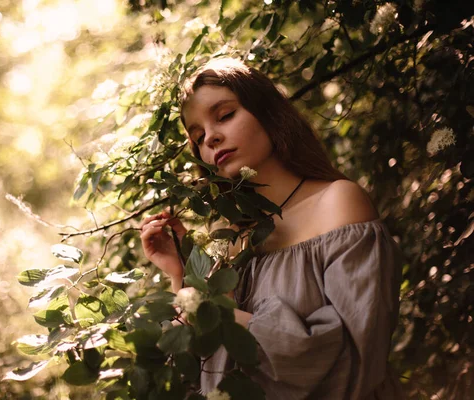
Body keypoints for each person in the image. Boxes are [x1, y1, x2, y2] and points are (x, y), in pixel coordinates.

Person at [139, 57, 405, 399]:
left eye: (224, 116)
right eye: (199, 136)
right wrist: (181, 272)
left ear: (267, 112)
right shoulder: (233, 242)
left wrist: (215, 311)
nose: (212, 138)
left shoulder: (338, 203)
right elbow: (205, 372)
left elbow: (354, 360)